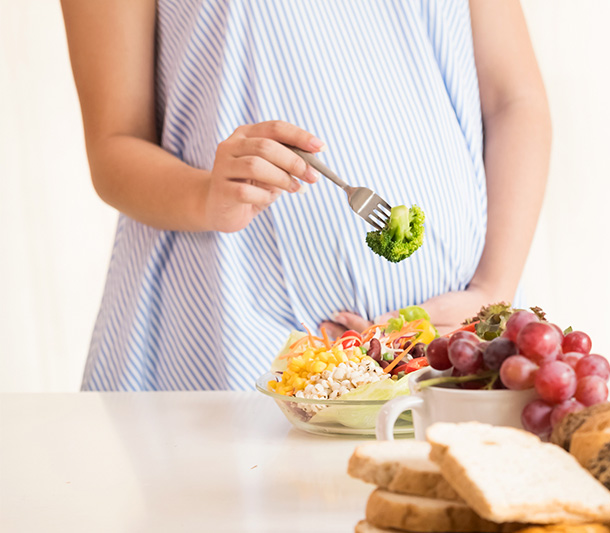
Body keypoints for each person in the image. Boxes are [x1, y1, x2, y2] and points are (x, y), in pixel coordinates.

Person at [61, 0, 551, 391]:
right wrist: (206, 196)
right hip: (229, 336)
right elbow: (114, 144)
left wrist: (492, 291)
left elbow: (514, 100)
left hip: (454, 344)